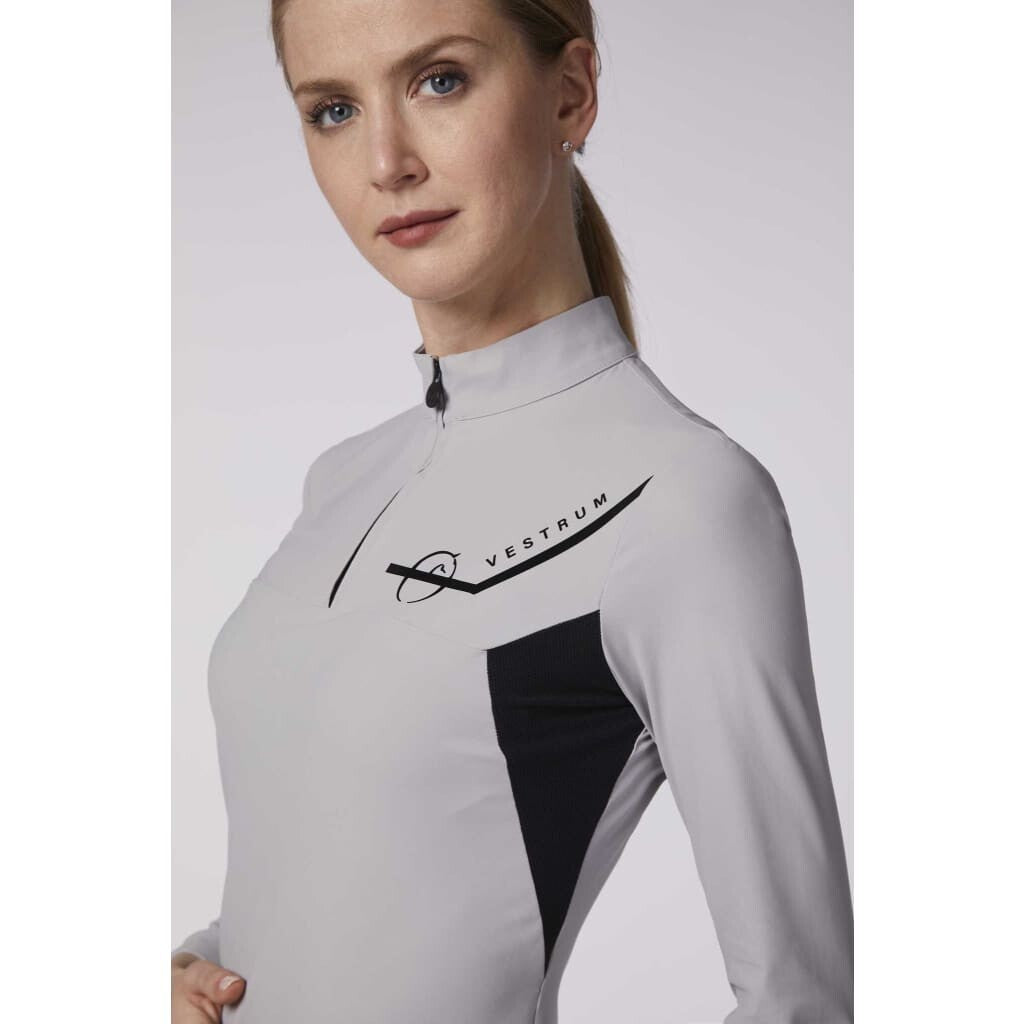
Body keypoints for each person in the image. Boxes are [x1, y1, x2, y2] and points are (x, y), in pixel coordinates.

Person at [171, 1, 854, 1021]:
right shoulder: (340, 481)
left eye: (439, 81)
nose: (386, 162)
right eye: (333, 110)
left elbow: (800, 1000)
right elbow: (343, 886)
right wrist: (198, 966)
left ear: (569, 93)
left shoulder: (681, 501)